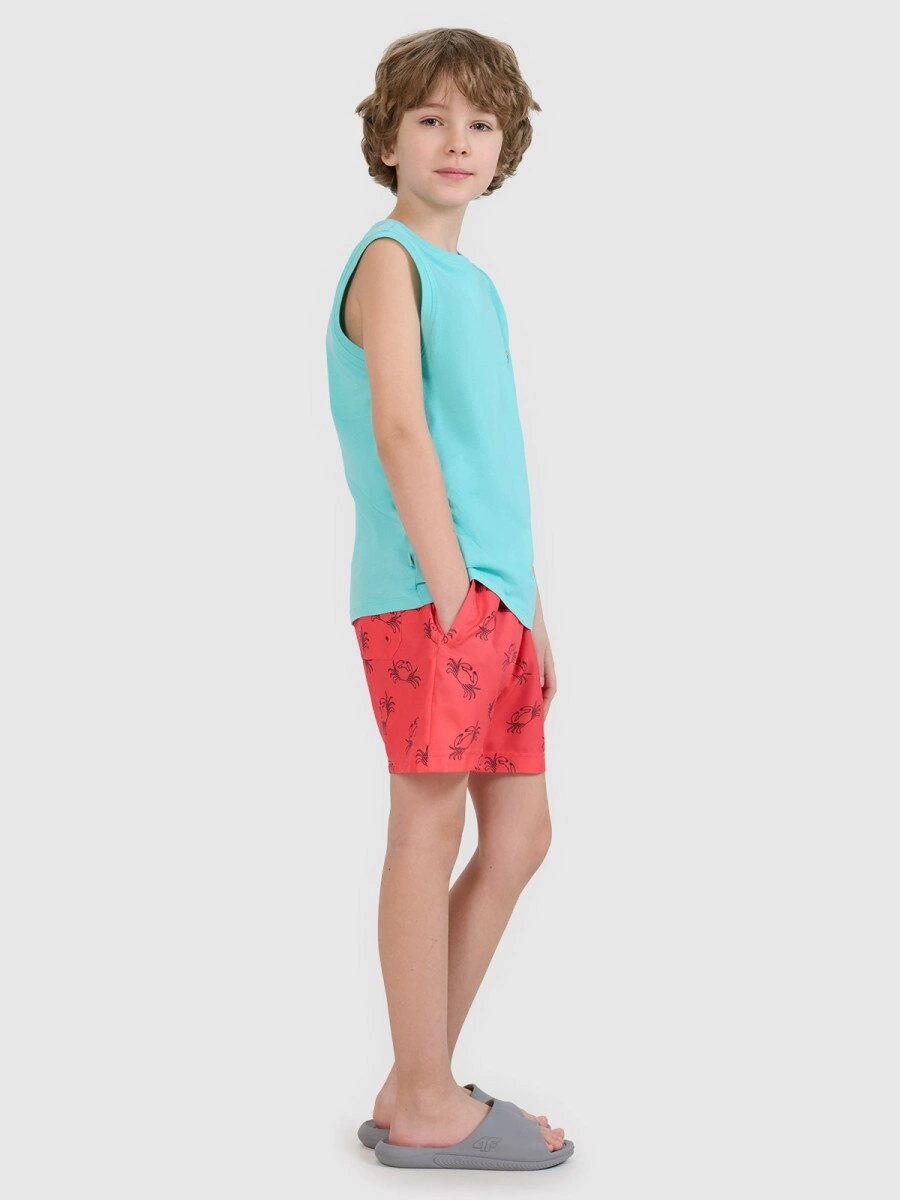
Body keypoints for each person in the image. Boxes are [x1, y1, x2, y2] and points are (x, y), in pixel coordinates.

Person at [325, 27, 573, 1171]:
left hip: (490, 599)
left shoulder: (473, 281)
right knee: (427, 830)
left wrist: (529, 610)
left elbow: (490, 461)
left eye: (480, 122)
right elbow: (400, 430)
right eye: (431, 118)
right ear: (390, 138)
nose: (457, 141)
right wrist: (455, 593)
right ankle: (427, 1099)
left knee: (519, 834)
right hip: (433, 599)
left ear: (505, 145)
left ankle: (412, 1076)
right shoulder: (391, 260)